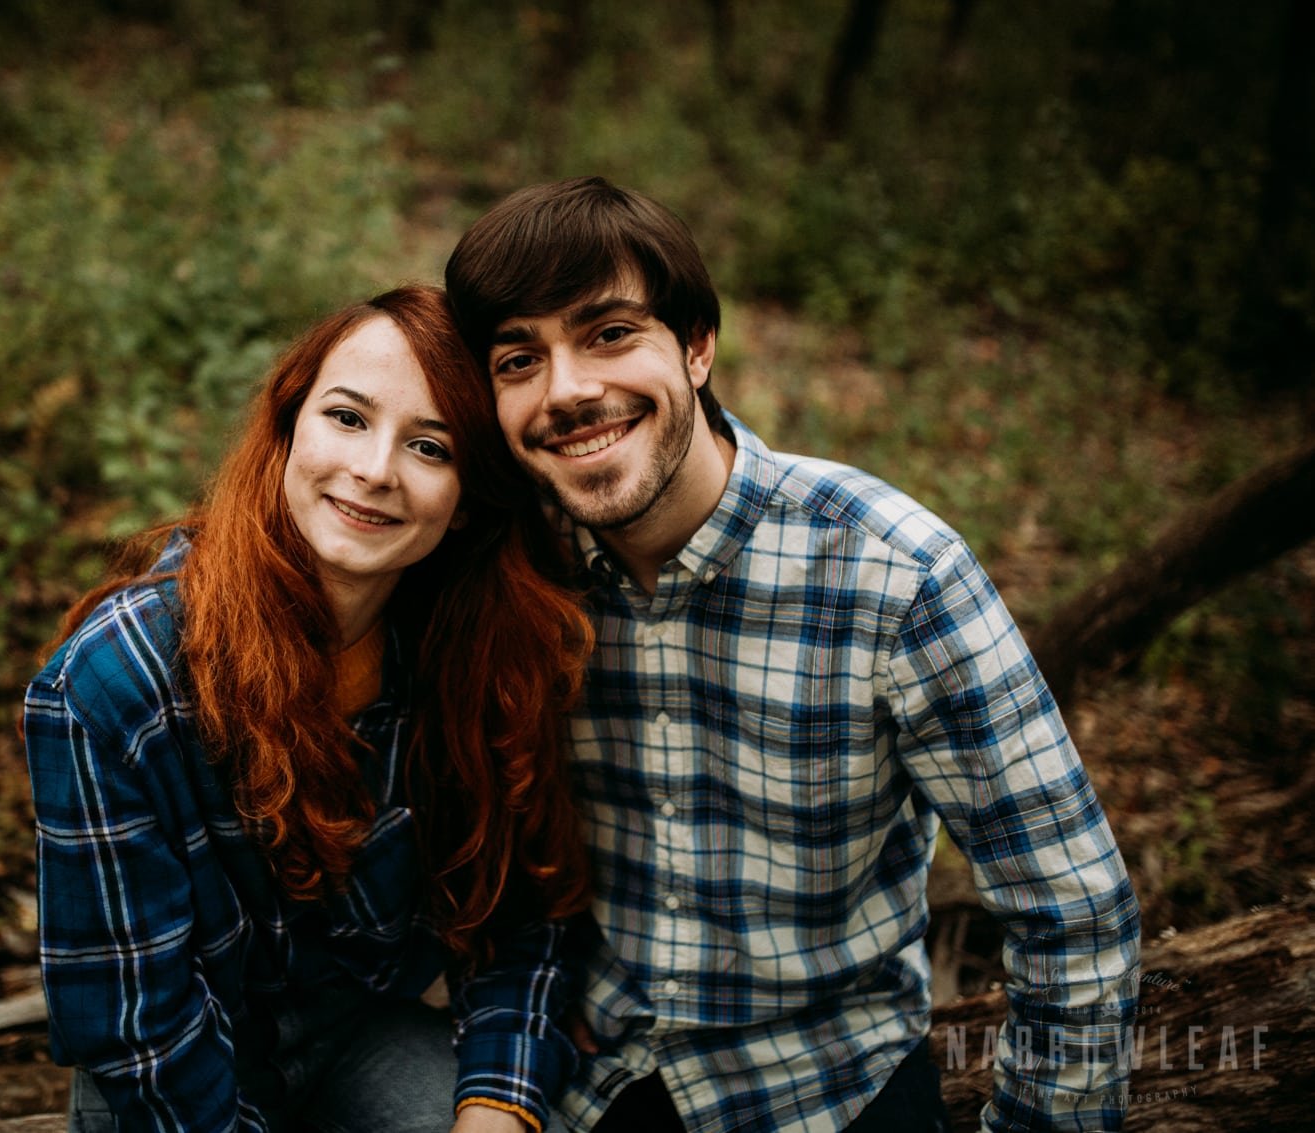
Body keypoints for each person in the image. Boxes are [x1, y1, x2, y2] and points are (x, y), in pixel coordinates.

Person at [443, 178, 1141, 1133]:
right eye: (521, 357)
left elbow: (1075, 911)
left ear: (697, 347)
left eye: (609, 333)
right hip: (587, 1078)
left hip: (823, 1085)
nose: (568, 390)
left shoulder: (894, 574)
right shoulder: (514, 570)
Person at [23, 285, 596, 1133]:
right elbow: (139, 1033)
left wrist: (496, 1111)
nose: (374, 470)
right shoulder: (115, 682)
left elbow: (522, 921)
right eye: (348, 417)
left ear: (468, 497)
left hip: (353, 1043)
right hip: (173, 1082)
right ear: (291, 428)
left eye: (430, 447)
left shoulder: (468, 654)